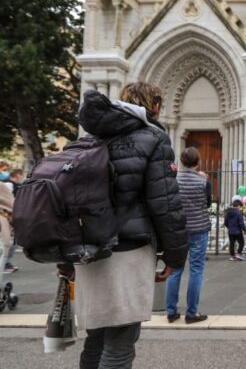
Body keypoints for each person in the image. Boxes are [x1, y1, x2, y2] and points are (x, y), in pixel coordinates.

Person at [73, 84, 187, 368]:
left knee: (96, 339)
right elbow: (165, 204)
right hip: (128, 251)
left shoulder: (93, 139)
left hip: (88, 251)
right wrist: (174, 256)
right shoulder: (153, 138)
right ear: (156, 106)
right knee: (120, 344)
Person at [165, 147, 211, 324]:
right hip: (198, 229)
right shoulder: (203, 181)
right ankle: (191, 313)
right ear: (197, 162)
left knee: (175, 269)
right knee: (196, 270)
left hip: (178, 229)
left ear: (182, 162)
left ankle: (171, 312)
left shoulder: (173, 180)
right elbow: (207, 203)